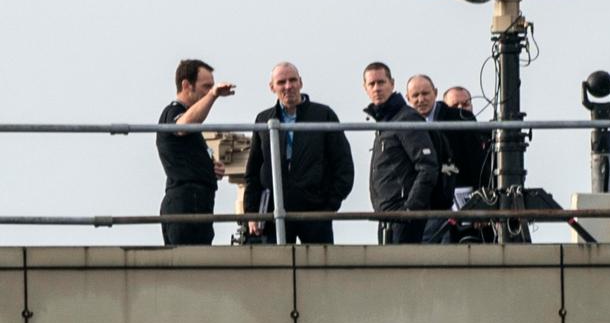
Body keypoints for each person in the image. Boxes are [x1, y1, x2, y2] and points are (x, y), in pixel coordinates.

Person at [244, 62, 354, 244]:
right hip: (275, 211)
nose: (288, 86)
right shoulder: (263, 119)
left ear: (301, 82)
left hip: (315, 211)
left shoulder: (323, 115)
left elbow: (343, 164)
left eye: (292, 80)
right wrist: (252, 212)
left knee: (319, 269)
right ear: (272, 87)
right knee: (276, 270)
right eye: (281, 82)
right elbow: (253, 171)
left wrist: (329, 206)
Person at [157, 59, 235, 245]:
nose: (209, 90)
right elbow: (183, 126)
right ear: (186, 85)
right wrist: (213, 95)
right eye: (206, 86)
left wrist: (210, 167)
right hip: (186, 204)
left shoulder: (190, 123)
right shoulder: (173, 111)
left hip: (196, 202)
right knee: (188, 264)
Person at [408, 75, 490, 243]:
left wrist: (481, 204)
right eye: (415, 96)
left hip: (458, 205)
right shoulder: (405, 124)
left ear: (435, 93)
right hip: (423, 206)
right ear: (408, 98)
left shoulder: (459, 118)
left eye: (425, 93)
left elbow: (478, 164)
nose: (421, 99)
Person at [362, 62, 438, 244]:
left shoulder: (406, 118)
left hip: (402, 216)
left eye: (381, 82)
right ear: (365, 88)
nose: (377, 88)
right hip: (387, 215)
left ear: (392, 83)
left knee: (403, 270)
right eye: (371, 84)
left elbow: (428, 165)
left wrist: (410, 209)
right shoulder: (385, 122)